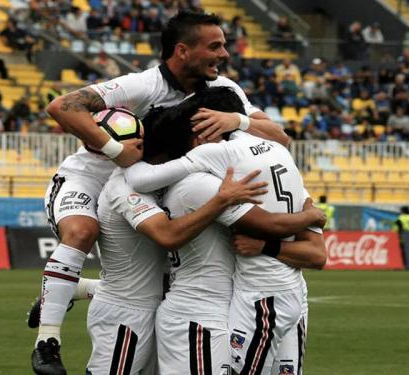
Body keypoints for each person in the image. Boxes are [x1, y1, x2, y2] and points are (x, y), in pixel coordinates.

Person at [32, 11, 288, 374]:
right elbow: (62, 106)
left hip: (152, 182)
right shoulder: (142, 85)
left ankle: (77, 289)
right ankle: (47, 342)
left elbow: (281, 136)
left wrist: (239, 120)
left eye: (224, 45)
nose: (225, 54)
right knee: (82, 233)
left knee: (156, 281)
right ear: (182, 51)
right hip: (91, 180)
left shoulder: (223, 91)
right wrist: (117, 151)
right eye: (215, 46)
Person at [124, 87, 326, 374]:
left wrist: (119, 156)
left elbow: (141, 179)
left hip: (261, 296)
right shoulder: (280, 153)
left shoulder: (216, 158)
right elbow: (314, 251)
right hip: (277, 295)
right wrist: (311, 215)